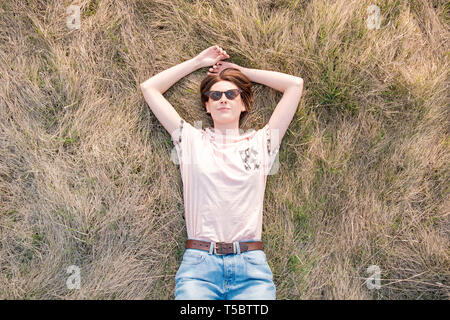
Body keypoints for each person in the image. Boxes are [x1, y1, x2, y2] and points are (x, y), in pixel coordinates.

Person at [140, 45, 304, 300]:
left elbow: (294, 85)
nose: (223, 99)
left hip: (251, 269)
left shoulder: (261, 144)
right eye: (215, 96)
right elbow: (149, 88)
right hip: (199, 268)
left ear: (244, 103)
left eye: (231, 93)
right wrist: (196, 62)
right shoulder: (190, 141)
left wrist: (242, 71)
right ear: (207, 106)